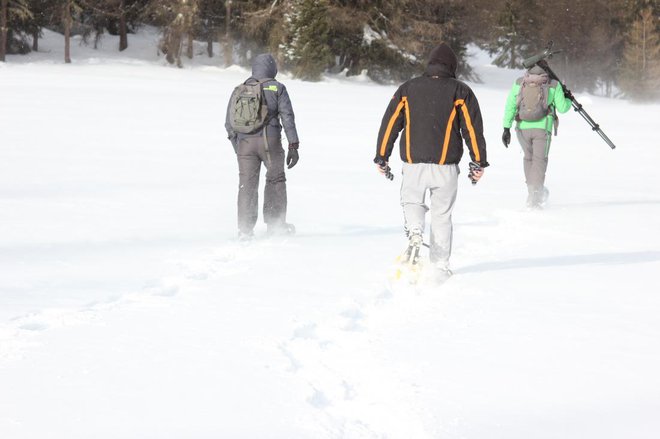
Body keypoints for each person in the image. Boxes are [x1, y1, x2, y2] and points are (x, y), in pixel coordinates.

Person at [374, 42, 488, 280]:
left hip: (413, 164)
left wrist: (382, 156)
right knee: (442, 216)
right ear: (452, 67)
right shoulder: (461, 91)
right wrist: (478, 162)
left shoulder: (408, 89)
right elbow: (472, 130)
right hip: (446, 167)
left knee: (411, 201)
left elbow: (390, 124)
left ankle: (415, 231)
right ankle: (439, 265)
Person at [225, 53, 300, 240]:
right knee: (275, 179)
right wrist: (293, 145)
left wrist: (239, 147)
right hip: (270, 143)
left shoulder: (239, 89)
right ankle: (276, 225)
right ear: (272, 68)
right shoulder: (277, 87)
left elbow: (229, 123)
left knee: (247, 185)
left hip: (245, 145)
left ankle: (244, 230)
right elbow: (288, 117)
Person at [501, 64, 572, 209]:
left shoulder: (520, 82)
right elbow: (563, 108)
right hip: (542, 129)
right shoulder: (553, 84)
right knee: (539, 161)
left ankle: (532, 192)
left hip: (522, 128)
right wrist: (569, 98)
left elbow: (510, 105)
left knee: (528, 158)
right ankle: (536, 196)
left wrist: (506, 128)